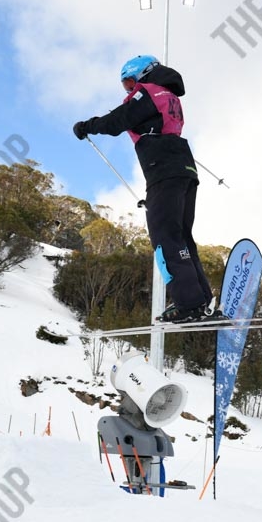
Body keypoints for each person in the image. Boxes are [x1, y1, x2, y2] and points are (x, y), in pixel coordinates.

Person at [73, 55, 217, 323]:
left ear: (143, 74)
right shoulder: (170, 96)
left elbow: (118, 120)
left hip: (163, 171)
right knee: (181, 237)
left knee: (164, 236)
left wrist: (86, 126)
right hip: (184, 169)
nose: (129, 90)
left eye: (129, 83)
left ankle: (188, 304)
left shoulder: (148, 92)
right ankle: (201, 300)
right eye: (126, 86)